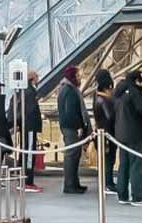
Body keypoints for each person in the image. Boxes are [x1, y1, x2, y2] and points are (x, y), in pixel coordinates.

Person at [114, 70, 142, 206]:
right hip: (136, 133)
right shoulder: (135, 92)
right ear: (137, 80)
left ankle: (122, 194)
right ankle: (138, 196)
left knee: (124, 164)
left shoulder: (120, 91)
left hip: (121, 134)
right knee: (138, 164)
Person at [7, 70, 44, 193]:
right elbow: (30, 111)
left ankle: (23, 179)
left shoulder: (23, 90)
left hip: (25, 127)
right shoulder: (30, 92)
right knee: (29, 153)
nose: (39, 79)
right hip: (30, 127)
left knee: (24, 151)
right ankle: (28, 181)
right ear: (32, 79)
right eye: (37, 77)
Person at [57, 65, 91, 194]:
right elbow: (70, 111)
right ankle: (70, 185)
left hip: (68, 127)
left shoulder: (67, 89)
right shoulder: (69, 90)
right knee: (72, 155)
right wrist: (78, 126)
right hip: (71, 128)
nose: (80, 77)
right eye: (77, 75)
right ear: (72, 76)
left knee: (74, 155)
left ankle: (74, 183)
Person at [93, 69, 117, 195]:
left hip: (100, 131)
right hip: (107, 133)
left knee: (106, 159)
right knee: (109, 159)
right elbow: (110, 116)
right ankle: (108, 183)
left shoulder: (97, 96)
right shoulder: (104, 99)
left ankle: (107, 182)